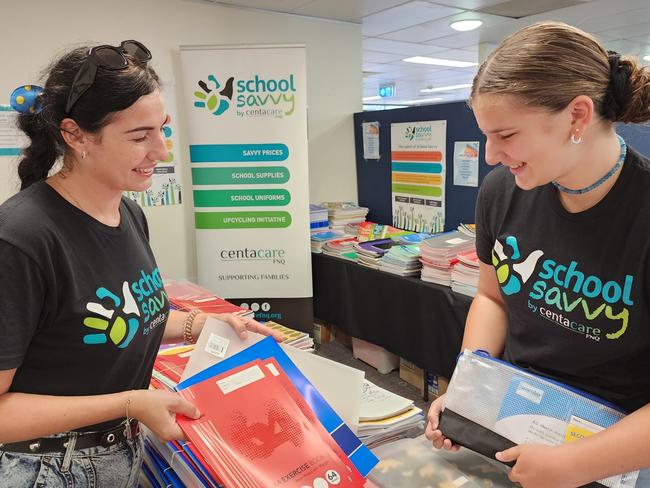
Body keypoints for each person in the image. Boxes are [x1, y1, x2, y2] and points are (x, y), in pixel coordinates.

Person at [0, 41, 279, 487]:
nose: (162, 152)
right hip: (46, 469)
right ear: (75, 135)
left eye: (162, 129)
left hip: (119, 454)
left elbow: (124, 318)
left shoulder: (128, 213)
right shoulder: (21, 239)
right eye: (138, 136)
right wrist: (129, 403)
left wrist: (201, 325)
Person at [425, 21, 650, 488]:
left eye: (506, 134)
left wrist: (577, 464)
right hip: (518, 418)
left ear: (578, 116)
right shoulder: (501, 191)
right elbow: (492, 298)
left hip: (620, 447)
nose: (490, 155)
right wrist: (471, 390)